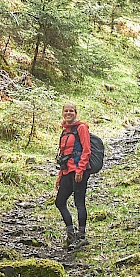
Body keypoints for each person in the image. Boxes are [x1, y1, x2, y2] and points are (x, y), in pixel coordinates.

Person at [55, 102, 91, 249]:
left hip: (79, 171)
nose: (68, 113)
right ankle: (71, 233)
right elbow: (63, 156)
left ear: (76, 113)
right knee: (60, 201)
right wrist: (59, 177)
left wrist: (80, 170)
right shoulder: (64, 131)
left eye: (71, 111)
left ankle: (81, 236)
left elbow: (86, 150)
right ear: (63, 113)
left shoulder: (81, 128)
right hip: (67, 171)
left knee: (79, 202)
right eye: (66, 111)